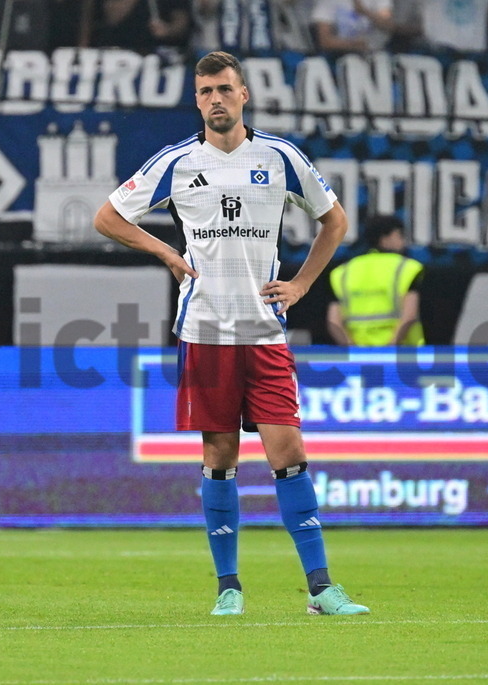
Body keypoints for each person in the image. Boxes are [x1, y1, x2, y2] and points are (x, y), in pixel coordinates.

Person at [94, 51, 370, 616]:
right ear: (196, 101)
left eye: (224, 88)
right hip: (205, 331)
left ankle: (321, 589)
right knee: (219, 457)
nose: (215, 99)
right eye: (205, 92)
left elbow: (335, 220)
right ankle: (229, 588)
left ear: (244, 94)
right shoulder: (177, 161)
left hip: (265, 332)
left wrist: (301, 284)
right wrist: (165, 250)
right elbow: (108, 216)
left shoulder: (280, 156)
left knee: (289, 451)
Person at [327, 214, 425, 346]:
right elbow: (409, 315)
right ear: (384, 239)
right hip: (404, 352)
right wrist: (390, 348)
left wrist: (352, 349)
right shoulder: (407, 268)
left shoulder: (343, 272)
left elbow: (334, 321)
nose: (404, 242)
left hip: (359, 353)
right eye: (399, 235)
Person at [311, 0, 394, 52]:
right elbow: (324, 41)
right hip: (340, 56)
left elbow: (388, 26)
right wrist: (354, 44)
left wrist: (364, 12)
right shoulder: (327, 2)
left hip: (377, 55)